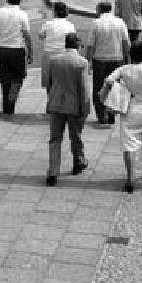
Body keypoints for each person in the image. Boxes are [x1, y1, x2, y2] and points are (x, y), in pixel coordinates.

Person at [101, 41, 142, 193]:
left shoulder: (124, 70)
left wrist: (110, 92)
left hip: (130, 110)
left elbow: (109, 80)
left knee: (129, 146)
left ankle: (130, 178)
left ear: (131, 55)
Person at [43, 33, 91, 186]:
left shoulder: (54, 60)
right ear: (78, 46)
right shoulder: (82, 63)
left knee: (55, 138)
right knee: (75, 136)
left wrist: (52, 96)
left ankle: (53, 171)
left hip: (56, 104)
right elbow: (83, 89)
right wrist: (85, 108)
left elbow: (49, 83)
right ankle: (78, 161)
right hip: (74, 106)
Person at [84, 1, 130, 126]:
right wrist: (127, 59)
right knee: (114, 88)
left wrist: (88, 61)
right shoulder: (120, 22)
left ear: (99, 10)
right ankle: (111, 115)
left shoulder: (96, 23)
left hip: (100, 59)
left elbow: (90, 45)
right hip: (117, 59)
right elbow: (126, 43)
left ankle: (101, 116)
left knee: (99, 88)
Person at [0, 0, 34, 115]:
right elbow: (26, 34)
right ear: (20, 0)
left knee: (5, 79)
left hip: (2, 49)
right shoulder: (22, 15)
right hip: (17, 50)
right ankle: (11, 100)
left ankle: (7, 106)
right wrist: (30, 52)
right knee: (19, 77)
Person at [38, 1, 76, 84]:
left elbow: (40, 35)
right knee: (62, 83)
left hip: (49, 55)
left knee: (49, 83)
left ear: (54, 12)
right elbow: (73, 41)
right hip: (63, 55)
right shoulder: (70, 25)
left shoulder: (48, 24)